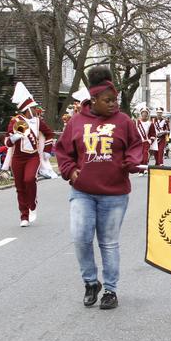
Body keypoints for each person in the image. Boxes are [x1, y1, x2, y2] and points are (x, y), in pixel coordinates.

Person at [55, 65, 146, 311]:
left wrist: (132, 161)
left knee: (108, 243)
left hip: (114, 194)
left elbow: (136, 146)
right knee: (80, 237)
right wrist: (70, 170)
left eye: (115, 100)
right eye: (107, 101)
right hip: (82, 191)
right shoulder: (76, 122)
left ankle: (110, 290)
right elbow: (63, 151)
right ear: (93, 100)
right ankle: (90, 282)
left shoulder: (124, 121)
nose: (113, 105)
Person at [4, 82, 55, 227]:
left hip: (32, 156)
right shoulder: (16, 121)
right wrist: (15, 137)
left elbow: (49, 134)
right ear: (27, 109)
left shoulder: (38, 122)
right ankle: (23, 216)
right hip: (18, 158)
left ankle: (33, 203)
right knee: (20, 187)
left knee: (29, 180)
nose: (35, 110)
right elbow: (7, 142)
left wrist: (47, 150)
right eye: (33, 108)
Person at [134, 105, 157, 170]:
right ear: (141, 114)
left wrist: (151, 140)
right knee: (139, 156)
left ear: (147, 115)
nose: (144, 115)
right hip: (138, 142)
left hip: (146, 142)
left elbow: (153, 134)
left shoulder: (150, 124)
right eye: (143, 114)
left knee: (145, 155)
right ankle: (143, 167)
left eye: (145, 114)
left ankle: (142, 170)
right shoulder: (136, 122)